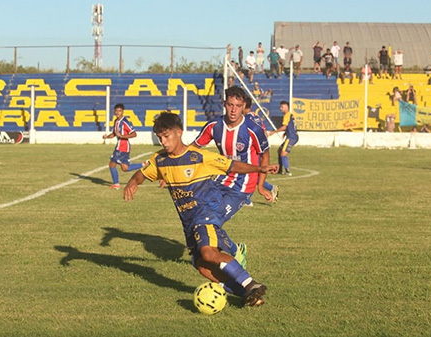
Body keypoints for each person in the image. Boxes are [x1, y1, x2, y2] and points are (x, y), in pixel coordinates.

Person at [123, 112, 278, 306]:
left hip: (205, 213)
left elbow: (231, 166)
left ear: (179, 133)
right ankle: (247, 295)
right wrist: (132, 182)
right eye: (159, 137)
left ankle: (251, 284)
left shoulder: (198, 156)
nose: (163, 141)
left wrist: (259, 169)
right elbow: (142, 173)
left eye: (166, 136)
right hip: (188, 221)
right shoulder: (160, 160)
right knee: (202, 266)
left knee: (209, 253)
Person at [194, 86, 278, 215]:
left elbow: (265, 156)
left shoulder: (253, 130)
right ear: (224, 104)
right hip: (221, 179)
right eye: (230, 105)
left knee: (213, 218)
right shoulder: (214, 126)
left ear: (244, 106)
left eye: (238, 106)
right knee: (197, 211)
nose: (233, 110)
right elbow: (193, 148)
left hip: (243, 185)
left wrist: (260, 186)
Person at [102, 103, 145, 189]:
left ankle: (116, 184)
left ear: (123, 112)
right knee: (125, 168)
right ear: (114, 112)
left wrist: (122, 136)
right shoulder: (116, 121)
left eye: (120, 111)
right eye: (116, 111)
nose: (118, 112)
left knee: (112, 164)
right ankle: (144, 164)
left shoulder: (125, 122)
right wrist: (107, 137)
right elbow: (114, 133)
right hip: (121, 146)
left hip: (122, 147)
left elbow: (134, 134)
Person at [268, 101, 299, 176]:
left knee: (283, 153)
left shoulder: (287, 115)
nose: (280, 108)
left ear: (286, 107)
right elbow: (291, 126)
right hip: (292, 136)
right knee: (279, 150)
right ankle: (280, 170)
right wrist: (286, 133)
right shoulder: (290, 115)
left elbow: (285, 126)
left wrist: (274, 132)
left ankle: (288, 171)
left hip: (291, 137)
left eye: (282, 107)